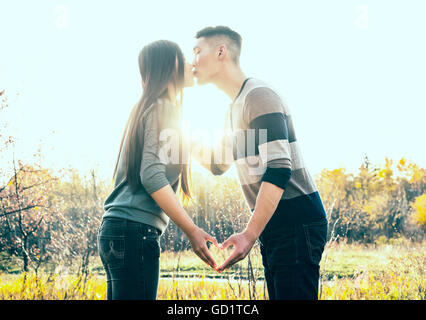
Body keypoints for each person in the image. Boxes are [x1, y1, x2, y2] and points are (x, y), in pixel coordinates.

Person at [191, 26, 328, 300]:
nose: (192, 61)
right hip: (276, 224)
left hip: (295, 220)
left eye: (197, 52)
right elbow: (217, 164)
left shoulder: (258, 95)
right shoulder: (235, 107)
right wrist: (173, 132)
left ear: (221, 52)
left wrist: (249, 235)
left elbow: (279, 169)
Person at [97, 40, 218, 300]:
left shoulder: (152, 110)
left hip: (116, 230)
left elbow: (217, 163)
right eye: (183, 58)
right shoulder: (164, 110)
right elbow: (151, 174)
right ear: (169, 66)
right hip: (134, 232)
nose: (190, 64)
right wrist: (192, 231)